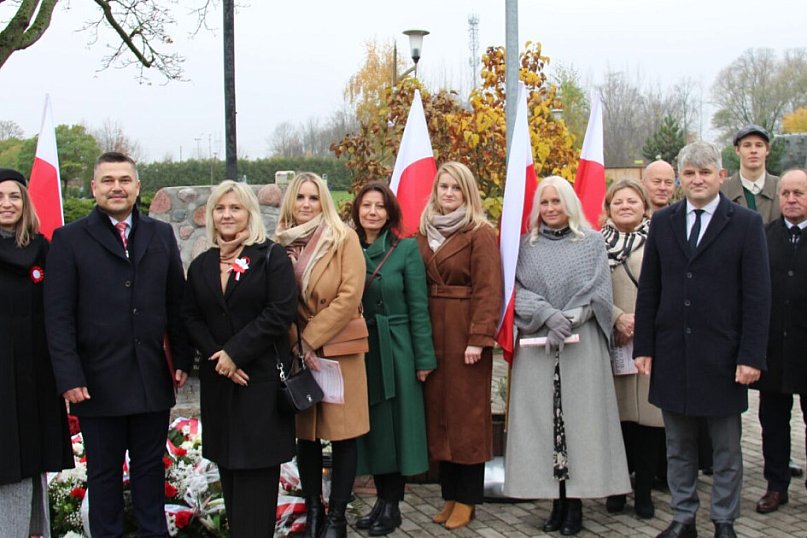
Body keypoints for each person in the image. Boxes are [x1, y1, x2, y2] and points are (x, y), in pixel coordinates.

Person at [45, 152, 193, 536]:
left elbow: (176, 304)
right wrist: (68, 375)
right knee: (104, 474)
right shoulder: (69, 239)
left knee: (149, 471)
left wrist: (182, 358)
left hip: (150, 379)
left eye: (124, 180)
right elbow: (58, 316)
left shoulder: (160, 235)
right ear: (94, 187)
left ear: (137, 186)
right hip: (96, 382)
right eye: (108, 180)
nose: (117, 187)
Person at [634, 141, 771, 538]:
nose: (697, 180)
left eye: (705, 173)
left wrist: (751, 356)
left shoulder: (745, 224)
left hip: (723, 358)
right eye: (690, 173)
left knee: (726, 450)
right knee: (678, 447)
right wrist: (644, 346)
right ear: (680, 178)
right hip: (673, 354)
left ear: (721, 176)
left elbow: (758, 296)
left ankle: (724, 521)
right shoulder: (664, 222)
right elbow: (650, 289)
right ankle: (683, 518)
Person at [504, 176, 630, 536]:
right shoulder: (525, 246)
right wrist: (547, 315)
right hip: (538, 341)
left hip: (581, 342)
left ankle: (575, 503)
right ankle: (554, 501)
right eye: (544, 203)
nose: (550, 208)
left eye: (556, 201)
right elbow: (516, 290)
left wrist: (570, 318)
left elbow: (599, 293)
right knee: (545, 424)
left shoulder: (591, 242)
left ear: (569, 203)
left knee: (578, 424)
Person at [183, 180, 298, 535]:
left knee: (255, 488)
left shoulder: (270, 258)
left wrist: (235, 353)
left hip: (259, 386)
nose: (227, 215)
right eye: (220, 208)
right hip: (220, 388)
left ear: (249, 213)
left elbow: (279, 313)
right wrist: (220, 358)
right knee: (231, 482)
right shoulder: (201, 265)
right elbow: (191, 317)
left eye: (235, 208)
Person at [274, 172, 369, 538]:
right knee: (308, 436)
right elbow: (277, 300)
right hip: (298, 350)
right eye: (300, 197)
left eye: (313, 197)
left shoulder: (343, 237)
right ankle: (314, 509)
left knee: (344, 435)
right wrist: (297, 342)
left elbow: (349, 295)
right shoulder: (279, 242)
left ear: (323, 201)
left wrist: (310, 339)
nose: (306, 204)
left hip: (340, 348)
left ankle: (337, 517)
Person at [416, 161, 503, 530]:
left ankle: (467, 499)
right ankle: (449, 495)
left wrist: (479, 338)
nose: (449, 193)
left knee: (467, 419)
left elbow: (489, 289)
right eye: (444, 186)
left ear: (467, 193)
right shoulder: (423, 232)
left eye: (456, 188)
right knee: (439, 417)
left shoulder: (479, 233)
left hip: (464, 334)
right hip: (432, 333)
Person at [351, 181, 437, 536]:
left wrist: (423, 358)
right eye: (366, 205)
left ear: (389, 213)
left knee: (398, 428)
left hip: (397, 348)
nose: (372, 212)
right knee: (373, 430)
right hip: (360, 349)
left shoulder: (406, 250)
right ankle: (380, 502)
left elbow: (419, 307)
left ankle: (392, 505)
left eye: (380, 206)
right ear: (357, 210)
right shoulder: (346, 247)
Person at [0, 169, 73, 536]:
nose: (6, 204)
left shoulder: (44, 250)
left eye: (14, 196)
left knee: (34, 459)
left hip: (37, 374)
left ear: (25, 202)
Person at [599, 179, 664, 519]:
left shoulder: (660, 240)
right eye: (618, 202)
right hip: (611, 341)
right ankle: (617, 487)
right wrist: (617, 318)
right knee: (618, 421)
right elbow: (590, 290)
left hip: (650, 343)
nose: (625, 206)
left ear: (644, 206)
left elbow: (670, 286)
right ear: (608, 208)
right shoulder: (596, 244)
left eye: (632, 201)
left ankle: (644, 491)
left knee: (649, 423)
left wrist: (641, 323)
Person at [751, 168, 807, 514]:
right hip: (773, 347)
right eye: (785, 193)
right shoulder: (764, 236)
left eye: (798, 193)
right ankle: (776, 485)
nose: (791, 199)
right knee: (773, 422)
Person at [720, 124, 780, 224]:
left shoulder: (781, 188)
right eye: (747, 145)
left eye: (759, 145)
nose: (753, 151)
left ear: (767, 149)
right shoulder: (722, 190)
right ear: (737, 150)